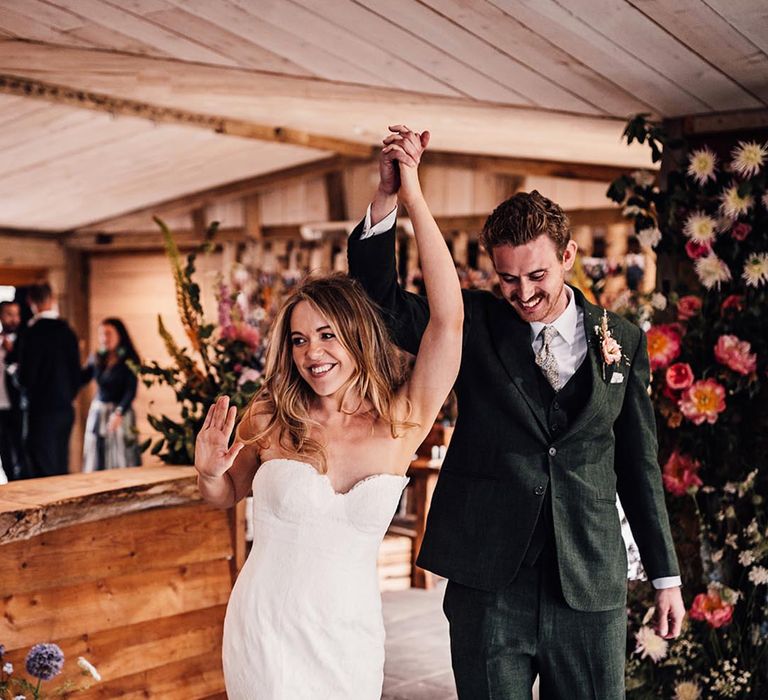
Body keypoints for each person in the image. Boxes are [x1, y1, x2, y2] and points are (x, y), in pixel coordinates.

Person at [348, 128, 685, 699]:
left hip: (588, 583)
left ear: (569, 257)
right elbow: (379, 299)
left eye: (537, 276)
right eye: (508, 278)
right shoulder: (470, 323)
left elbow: (639, 465)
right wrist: (390, 200)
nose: (523, 292)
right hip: (488, 581)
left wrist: (666, 576)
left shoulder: (621, 340)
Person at [193, 126, 462, 700]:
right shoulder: (270, 415)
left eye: (326, 335)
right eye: (297, 340)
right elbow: (224, 495)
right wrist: (211, 473)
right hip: (265, 629)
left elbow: (448, 321)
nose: (311, 353)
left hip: (349, 636)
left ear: (358, 337)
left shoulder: (401, 421)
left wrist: (411, 194)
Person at [17, 283, 81, 478]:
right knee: (61, 466)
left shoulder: (31, 333)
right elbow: (76, 373)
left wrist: (15, 376)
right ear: (52, 299)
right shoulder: (67, 331)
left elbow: (27, 377)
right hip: (65, 409)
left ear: (30, 302)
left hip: (41, 411)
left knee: (41, 467)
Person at [81, 318, 142, 471]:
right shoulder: (97, 357)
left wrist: (119, 412)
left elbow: (131, 391)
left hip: (120, 413)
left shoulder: (129, 359)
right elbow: (81, 378)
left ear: (119, 335)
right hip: (99, 412)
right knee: (97, 455)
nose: (104, 338)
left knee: (120, 455)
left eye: (108, 334)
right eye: (101, 334)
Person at [0, 301, 26, 481]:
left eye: (16, 314)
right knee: (4, 453)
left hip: (17, 406)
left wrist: (13, 352)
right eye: (9, 314)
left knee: (20, 450)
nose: (14, 319)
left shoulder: (24, 342)